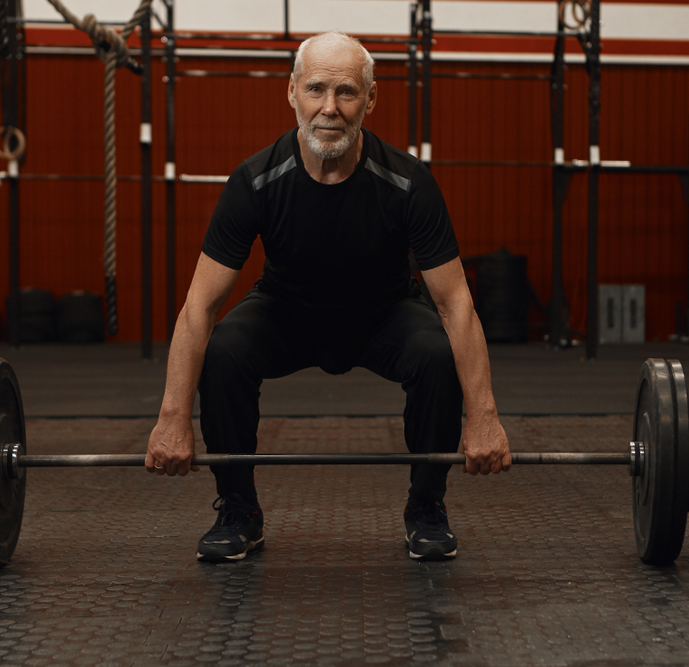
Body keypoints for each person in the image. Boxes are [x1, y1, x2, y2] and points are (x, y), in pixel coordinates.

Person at [146, 31, 511, 563]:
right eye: (316, 89)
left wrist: (484, 417)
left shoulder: (408, 183)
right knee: (224, 350)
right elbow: (198, 307)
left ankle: (426, 507)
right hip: (287, 311)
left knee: (436, 352)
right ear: (291, 92)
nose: (330, 109)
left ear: (371, 99)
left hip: (384, 312)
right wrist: (172, 418)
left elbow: (457, 305)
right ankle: (238, 511)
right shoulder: (254, 181)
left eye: (346, 92)